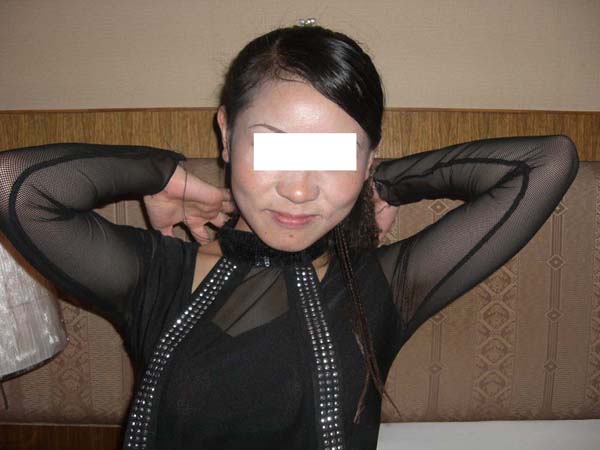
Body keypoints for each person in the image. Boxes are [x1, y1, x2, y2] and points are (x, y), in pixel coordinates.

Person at [0, 24, 579, 450]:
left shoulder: (384, 287)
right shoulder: (153, 275)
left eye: (333, 154)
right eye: (272, 147)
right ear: (226, 134)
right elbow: (16, 187)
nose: (300, 190)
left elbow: (546, 162)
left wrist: (384, 182)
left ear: (367, 157)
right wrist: (162, 172)